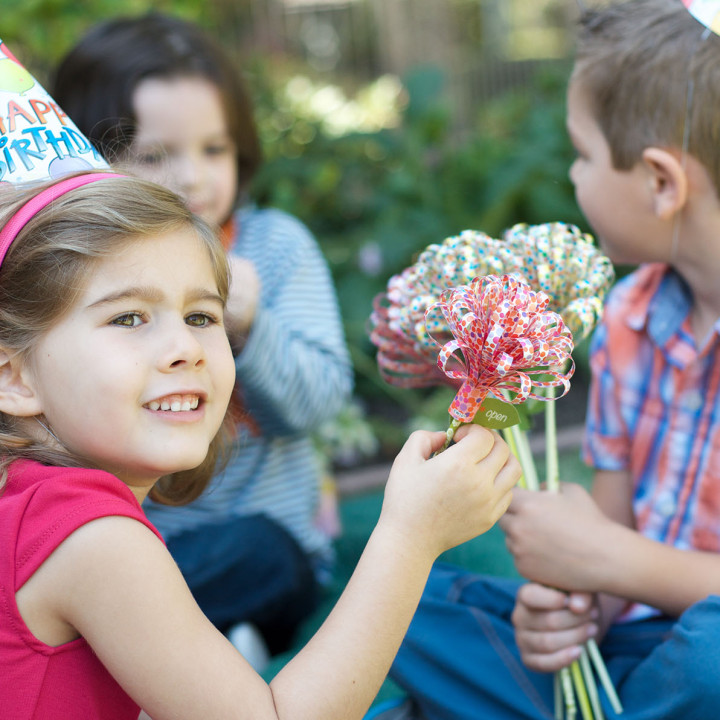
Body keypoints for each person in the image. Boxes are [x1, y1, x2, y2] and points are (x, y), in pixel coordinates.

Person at [0, 170, 519, 720]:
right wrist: (411, 536)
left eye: (202, 316)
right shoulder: (92, 538)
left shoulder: (39, 506)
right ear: (14, 378)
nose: (185, 347)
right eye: (128, 317)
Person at [371, 1, 720, 719]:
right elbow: (612, 545)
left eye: (583, 153)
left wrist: (609, 561)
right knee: (407, 599)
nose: (573, 173)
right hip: (641, 645)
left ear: (661, 181)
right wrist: (580, 606)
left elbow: (616, 554)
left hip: (706, 645)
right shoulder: (625, 320)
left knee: (712, 657)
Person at [52, 13, 353, 657]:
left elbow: (318, 403)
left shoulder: (274, 249)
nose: (192, 178)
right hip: (120, 543)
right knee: (82, 562)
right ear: (87, 156)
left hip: (252, 547)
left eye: (214, 150)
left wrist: (250, 325)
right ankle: (181, 643)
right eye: (155, 155)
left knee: (263, 557)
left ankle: (147, 645)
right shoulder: (79, 268)